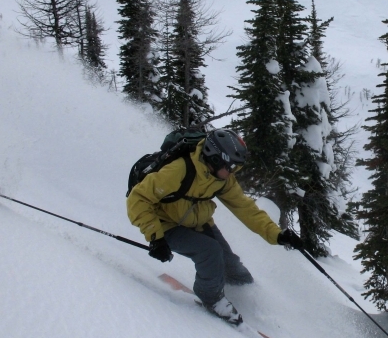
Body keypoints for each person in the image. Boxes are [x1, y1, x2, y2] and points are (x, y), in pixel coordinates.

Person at [127, 128, 304, 325]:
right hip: (165, 225)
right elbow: (138, 198)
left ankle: (247, 300)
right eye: (230, 166)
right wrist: (155, 238)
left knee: (232, 266)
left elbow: (244, 207)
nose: (232, 172)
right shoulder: (178, 170)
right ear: (215, 158)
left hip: (198, 221)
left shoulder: (221, 178)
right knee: (210, 252)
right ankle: (211, 297)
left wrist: (277, 235)